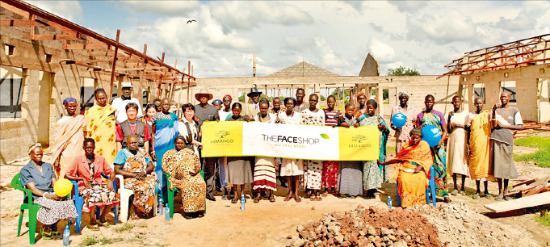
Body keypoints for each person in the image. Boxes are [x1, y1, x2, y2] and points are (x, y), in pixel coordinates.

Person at [20, 144, 78, 240]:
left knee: (66, 201)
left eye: (41, 154)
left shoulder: (47, 166)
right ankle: (47, 227)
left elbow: (54, 183)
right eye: (37, 154)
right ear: (30, 154)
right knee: (54, 204)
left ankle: (54, 225)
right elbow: (33, 189)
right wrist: (48, 196)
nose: (39, 156)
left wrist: (59, 193)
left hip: (50, 193)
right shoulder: (26, 170)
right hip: (36, 196)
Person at [65, 138, 118, 230]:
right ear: (83, 147)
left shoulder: (100, 159)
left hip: (99, 185)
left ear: (94, 148)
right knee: (93, 195)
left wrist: (110, 181)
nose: (89, 149)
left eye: (91, 147)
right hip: (84, 186)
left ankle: (102, 217)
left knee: (112, 194)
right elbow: (67, 175)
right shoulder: (78, 160)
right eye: (87, 147)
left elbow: (111, 171)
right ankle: (92, 220)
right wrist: (81, 178)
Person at [379, 128, 433, 208]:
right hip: (405, 167)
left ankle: (419, 204)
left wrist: (420, 166)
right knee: (403, 179)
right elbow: (398, 159)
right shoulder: (406, 146)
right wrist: (383, 163)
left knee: (421, 179)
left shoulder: (424, 145)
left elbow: (428, 160)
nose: (414, 140)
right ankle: (406, 204)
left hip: (419, 168)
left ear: (420, 138)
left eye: (416, 138)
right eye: (413, 138)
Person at [113, 135, 157, 219]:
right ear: (127, 144)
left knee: (152, 183)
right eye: (131, 143)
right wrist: (134, 175)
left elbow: (151, 166)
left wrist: (143, 172)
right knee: (142, 187)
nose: (134, 144)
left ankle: (144, 210)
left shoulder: (142, 152)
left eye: (135, 142)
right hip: (128, 178)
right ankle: (136, 209)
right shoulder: (122, 153)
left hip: (142, 176)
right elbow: (117, 170)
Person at [162, 136, 206, 219]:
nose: (179, 145)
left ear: (184, 144)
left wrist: (196, 170)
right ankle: (189, 211)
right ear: (175, 143)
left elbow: (197, 163)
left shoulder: (190, 152)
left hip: (192, 175)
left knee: (200, 183)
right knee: (187, 184)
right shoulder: (168, 154)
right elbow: (165, 166)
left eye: (181, 143)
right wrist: (175, 172)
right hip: (178, 177)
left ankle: (198, 210)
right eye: (178, 143)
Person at [417, 94, 450, 203]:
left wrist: (441, 142)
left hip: (439, 146)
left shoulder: (439, 114)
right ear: (424, 103)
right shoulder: (420, 116)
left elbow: (445, 131)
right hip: (426, 147)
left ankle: (445, 194)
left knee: (441, 169)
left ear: (434, 102)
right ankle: (430, 193)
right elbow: (416, 132)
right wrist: (419, 127)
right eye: (427, 102)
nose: (429, 104)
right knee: (428, 169)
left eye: (430, 102)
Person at [491, 91, 523, 201]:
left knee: (507, 166)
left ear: (509, 98)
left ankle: (506, 191)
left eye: (505, 97)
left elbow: (519, 126)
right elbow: (492, 124)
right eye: (501, 97)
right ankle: (499, 191)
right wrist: (493, 110)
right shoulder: (497, 110)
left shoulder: (514, 110)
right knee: (498, 166)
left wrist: (504, 125)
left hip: (507, 140)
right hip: (496, 138)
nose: (503, 98)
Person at [358, 99, 390, 198]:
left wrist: (383, 128)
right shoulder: (362, 118)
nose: (369, 110)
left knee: (375, 168)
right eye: (367, 108)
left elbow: (387, 130)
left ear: (375, 109)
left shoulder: (379, 118)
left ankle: (373, 188)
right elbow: (358, 130)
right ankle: (368, 189)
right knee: (367, 167)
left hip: (377, 148)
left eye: (371, 108)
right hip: (366, 147)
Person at [51, 97, 86, 178]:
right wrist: (56, 157)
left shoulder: (81, 119)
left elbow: (85, 133)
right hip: (67, 153)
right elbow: (58, 141)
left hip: (79, 151)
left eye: (74, 106)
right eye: (70, 106)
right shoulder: (61, 122)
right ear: (65, 107)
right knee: (66, 173)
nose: (72, 108)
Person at [194, 89, 219, 201]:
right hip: (196, 143)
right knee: (198, 166)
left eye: (205, 96)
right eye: (201, 96)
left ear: (208, 98)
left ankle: (209, 191)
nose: (203, 97)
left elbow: (217, 125)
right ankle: (199, 190)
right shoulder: (194, 109)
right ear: (199, 97)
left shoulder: (213, 109)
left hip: (210, 144)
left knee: (210, 168)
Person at [276, 97, 303, 202]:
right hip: (286, 146)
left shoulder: (298, 116)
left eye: (291, 104)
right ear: (285, 105)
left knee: (296, 170)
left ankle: (296, 192)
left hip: (296, 146)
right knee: (288, 170)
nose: (289, 105)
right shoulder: (281, 116)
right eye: (288, 104)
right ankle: (289, 191)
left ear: (294, 105)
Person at [226, 103, 253, 204]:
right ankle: (235, 194)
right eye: (234, 110)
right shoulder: (228, 122)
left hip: (243, 150)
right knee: (234, 174)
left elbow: (252, 127)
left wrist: (250, 120)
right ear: (232, 110)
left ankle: (242, 193)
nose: (236, 111)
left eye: (238, 110)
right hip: (233, 151)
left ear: (240, 110)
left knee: (242, 173)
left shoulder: (244, 120)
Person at [152, 99, 179, 201]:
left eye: (168, 104)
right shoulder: (156, 116)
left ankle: (170, 195)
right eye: (164, 104)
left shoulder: (174, 117)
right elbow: (153, 134)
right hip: (159, 147)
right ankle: (161, 195)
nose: (166, 106)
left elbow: (176, 133)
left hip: (171, 147)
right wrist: (153, 150)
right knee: (159, 170)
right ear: (161, 105)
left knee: (171, 170)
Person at [300, 94, 325, 201]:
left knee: (318, 168)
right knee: (308, 168)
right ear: (309, 101)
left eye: (315, 100)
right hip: (307, 144)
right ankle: (310, 190)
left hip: (318, 144)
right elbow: (300, 127)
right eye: (311, 100)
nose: (313, 102)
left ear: (317, 101)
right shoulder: (304, 113)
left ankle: (317, 190)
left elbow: (323, 127)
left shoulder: (321, 112)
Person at [467, 97, 492, 199]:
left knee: (485, 166)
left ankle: (486, 190)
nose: (478, 105)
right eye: (477, 103)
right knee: (476, 166)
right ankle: (477, 190)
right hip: (475, 143)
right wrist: (468, 145)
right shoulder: (471, 115)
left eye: (480, 103)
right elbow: (468, 130)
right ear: (474, 104)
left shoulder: (487, 115)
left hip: (485, 143)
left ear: (483, 103)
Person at [252, 100, 278, 203]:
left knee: (270, 171)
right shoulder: (255, 118)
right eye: (262, 108)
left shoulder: (273, 118)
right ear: (259, 108)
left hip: (270, 148)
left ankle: (271, 193)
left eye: (265, 108)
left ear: (268, 108)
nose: (263, 110)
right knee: (260, 170)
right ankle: (259, 193)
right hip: (259, 148)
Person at [85, 88, 118, 164]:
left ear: (106, 97)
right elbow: (87, 127)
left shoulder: (111, 109)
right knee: (98, 159)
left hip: (110, 140)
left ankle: (109, 175)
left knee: (110, 159)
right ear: (96, 100)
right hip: (97, 141)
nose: (102, 100)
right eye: (99, 99)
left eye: (103, 98)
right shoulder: (91, 112)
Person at [446, 96, 469, 196]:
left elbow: (468, 127)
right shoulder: (449, 114)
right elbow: (448, 129)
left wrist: (457, 125)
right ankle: (455, 186)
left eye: (458, 102)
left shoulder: (466, 114)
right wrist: (450, 119)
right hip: (453, 140)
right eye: (454, 102)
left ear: (461, 102)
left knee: (462, 162)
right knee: (453, 161)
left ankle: (463, 186)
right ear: (452, 103)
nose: (456, 104)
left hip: (463, 140)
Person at [338, 103, 362, 197]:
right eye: (349, 110)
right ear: (345, 110)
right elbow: (335, 128)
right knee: (345, 169)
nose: (350, 112)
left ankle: (354, 192)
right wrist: (341, 125)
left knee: (355, 169)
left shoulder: (357, 120)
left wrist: (358, 125)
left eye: (352, 110)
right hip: (345, 149)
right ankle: (344, 191)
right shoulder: (341, 119)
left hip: (355, 150)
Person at [322, 95, 341, 196]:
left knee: (334, 166)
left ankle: (333, 187)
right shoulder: (323, 112)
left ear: (335, 102)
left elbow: (343, 124)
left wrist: (337, 126)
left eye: (332, 102)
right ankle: (325, 187)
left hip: (334, 142)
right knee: (325, 166)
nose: (330, 104)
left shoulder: (339, 113)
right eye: (328, 102)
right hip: (325, 142)